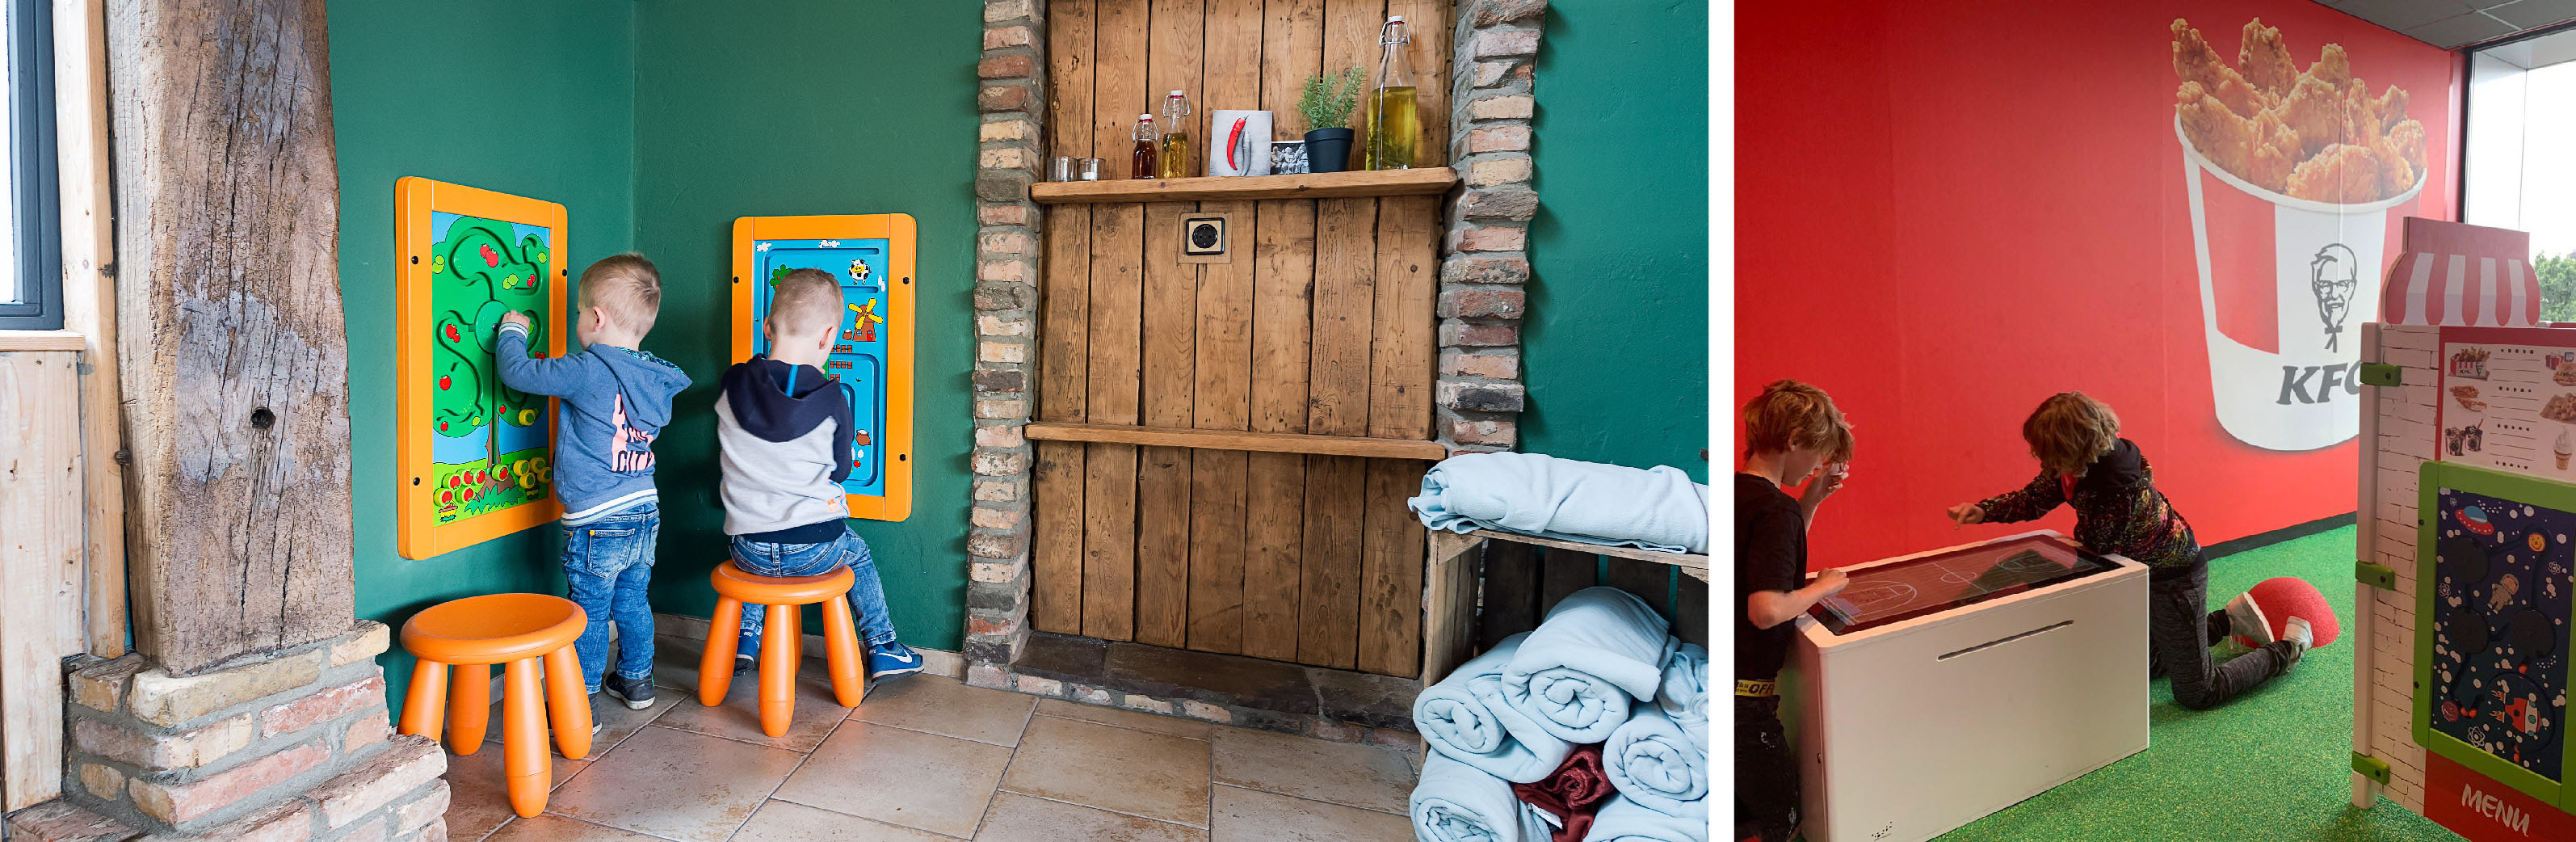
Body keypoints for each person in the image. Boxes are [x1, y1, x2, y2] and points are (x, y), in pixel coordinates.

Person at [1947, 391, 2312, 711]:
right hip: (2140, 570)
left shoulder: (2118, 490)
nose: (2044, 464)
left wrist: (2035, 575)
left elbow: (2096, 556)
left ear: (2075, 450)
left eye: (2051, 457)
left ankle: (2287, 650)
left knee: (2198, 692)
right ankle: (2227, 620)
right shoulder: (2080, 465)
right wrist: (1984, 510)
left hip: (2175, 579)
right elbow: (2036, 497)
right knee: (2148, 665)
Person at [496, 253, 691, 716]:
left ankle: (578, 706)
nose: (579, 322)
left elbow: (518, 373)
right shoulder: (653, 376)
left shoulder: (586, 369)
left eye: (580, 313)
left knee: (588, 612)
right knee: (632, 601)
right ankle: (636, 680)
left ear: (597, 318)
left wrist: (512, 333)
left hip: (598, 518)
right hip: (645, 508)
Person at [715, 267, 923, 684]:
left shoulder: (732, 384)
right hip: (815, 549)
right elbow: (841, 470)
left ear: (768, 327)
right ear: (829, 337)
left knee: (762, 547)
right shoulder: (832, 399)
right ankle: (883, 646)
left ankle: (746, 640)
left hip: (746, 549)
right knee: (858, 552)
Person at [1735, 380, 1854, 842]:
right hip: (1747, 705)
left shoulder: (1741, 494)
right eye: (1817, 454)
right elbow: (1766, 609)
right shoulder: (1776, 510)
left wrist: (1813, 498)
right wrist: (1823, 586)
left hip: (1724, 689)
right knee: (1781, 821)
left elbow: (1774, 558)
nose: (1816, 466)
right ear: (1793, 441)